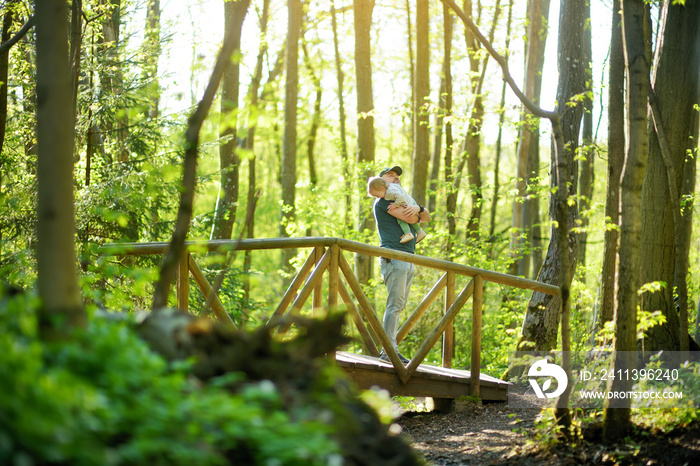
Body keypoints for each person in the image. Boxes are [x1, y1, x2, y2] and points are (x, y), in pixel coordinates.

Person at [372, 165, 430, 364]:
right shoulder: (382, 202)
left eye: (397, 176)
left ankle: (389, 348)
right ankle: (388, 351)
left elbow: (425, 217)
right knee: (395, 305)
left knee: (399, 305)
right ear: (382, 182)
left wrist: (420, 208)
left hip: (408, 257)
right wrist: (417, 211)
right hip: (395, 257)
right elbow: (414, 219)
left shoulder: (399, 198)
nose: (395, 178)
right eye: (391, 175)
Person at [367, 176, 427, 244]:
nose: (378, 197)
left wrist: (395, 205)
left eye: (377, 195)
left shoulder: (390, 192)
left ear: (382, 188)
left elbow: (400, 197)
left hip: (408, 203)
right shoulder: (391, 187)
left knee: (401, 218)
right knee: (407, 215)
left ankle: (408, 233)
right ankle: (420, 231)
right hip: (410, 201)